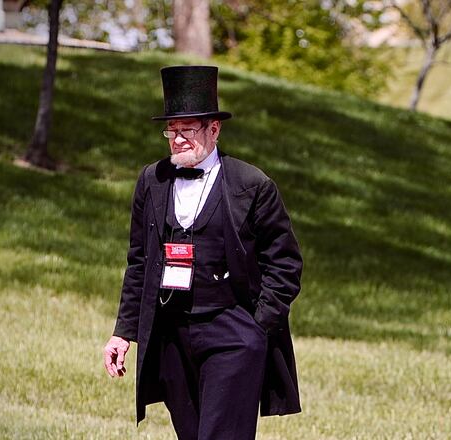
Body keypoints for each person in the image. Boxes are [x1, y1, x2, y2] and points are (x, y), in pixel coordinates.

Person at [103, 65, 303, 439]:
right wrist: (123, 332)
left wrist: (257, 325)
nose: (177, 140)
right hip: (172, 333)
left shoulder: (251, 184)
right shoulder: (152, 179)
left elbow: (285, 262)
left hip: (232, 332)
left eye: (187, 130)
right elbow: (139, 262)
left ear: (214, 129)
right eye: (171, 131)